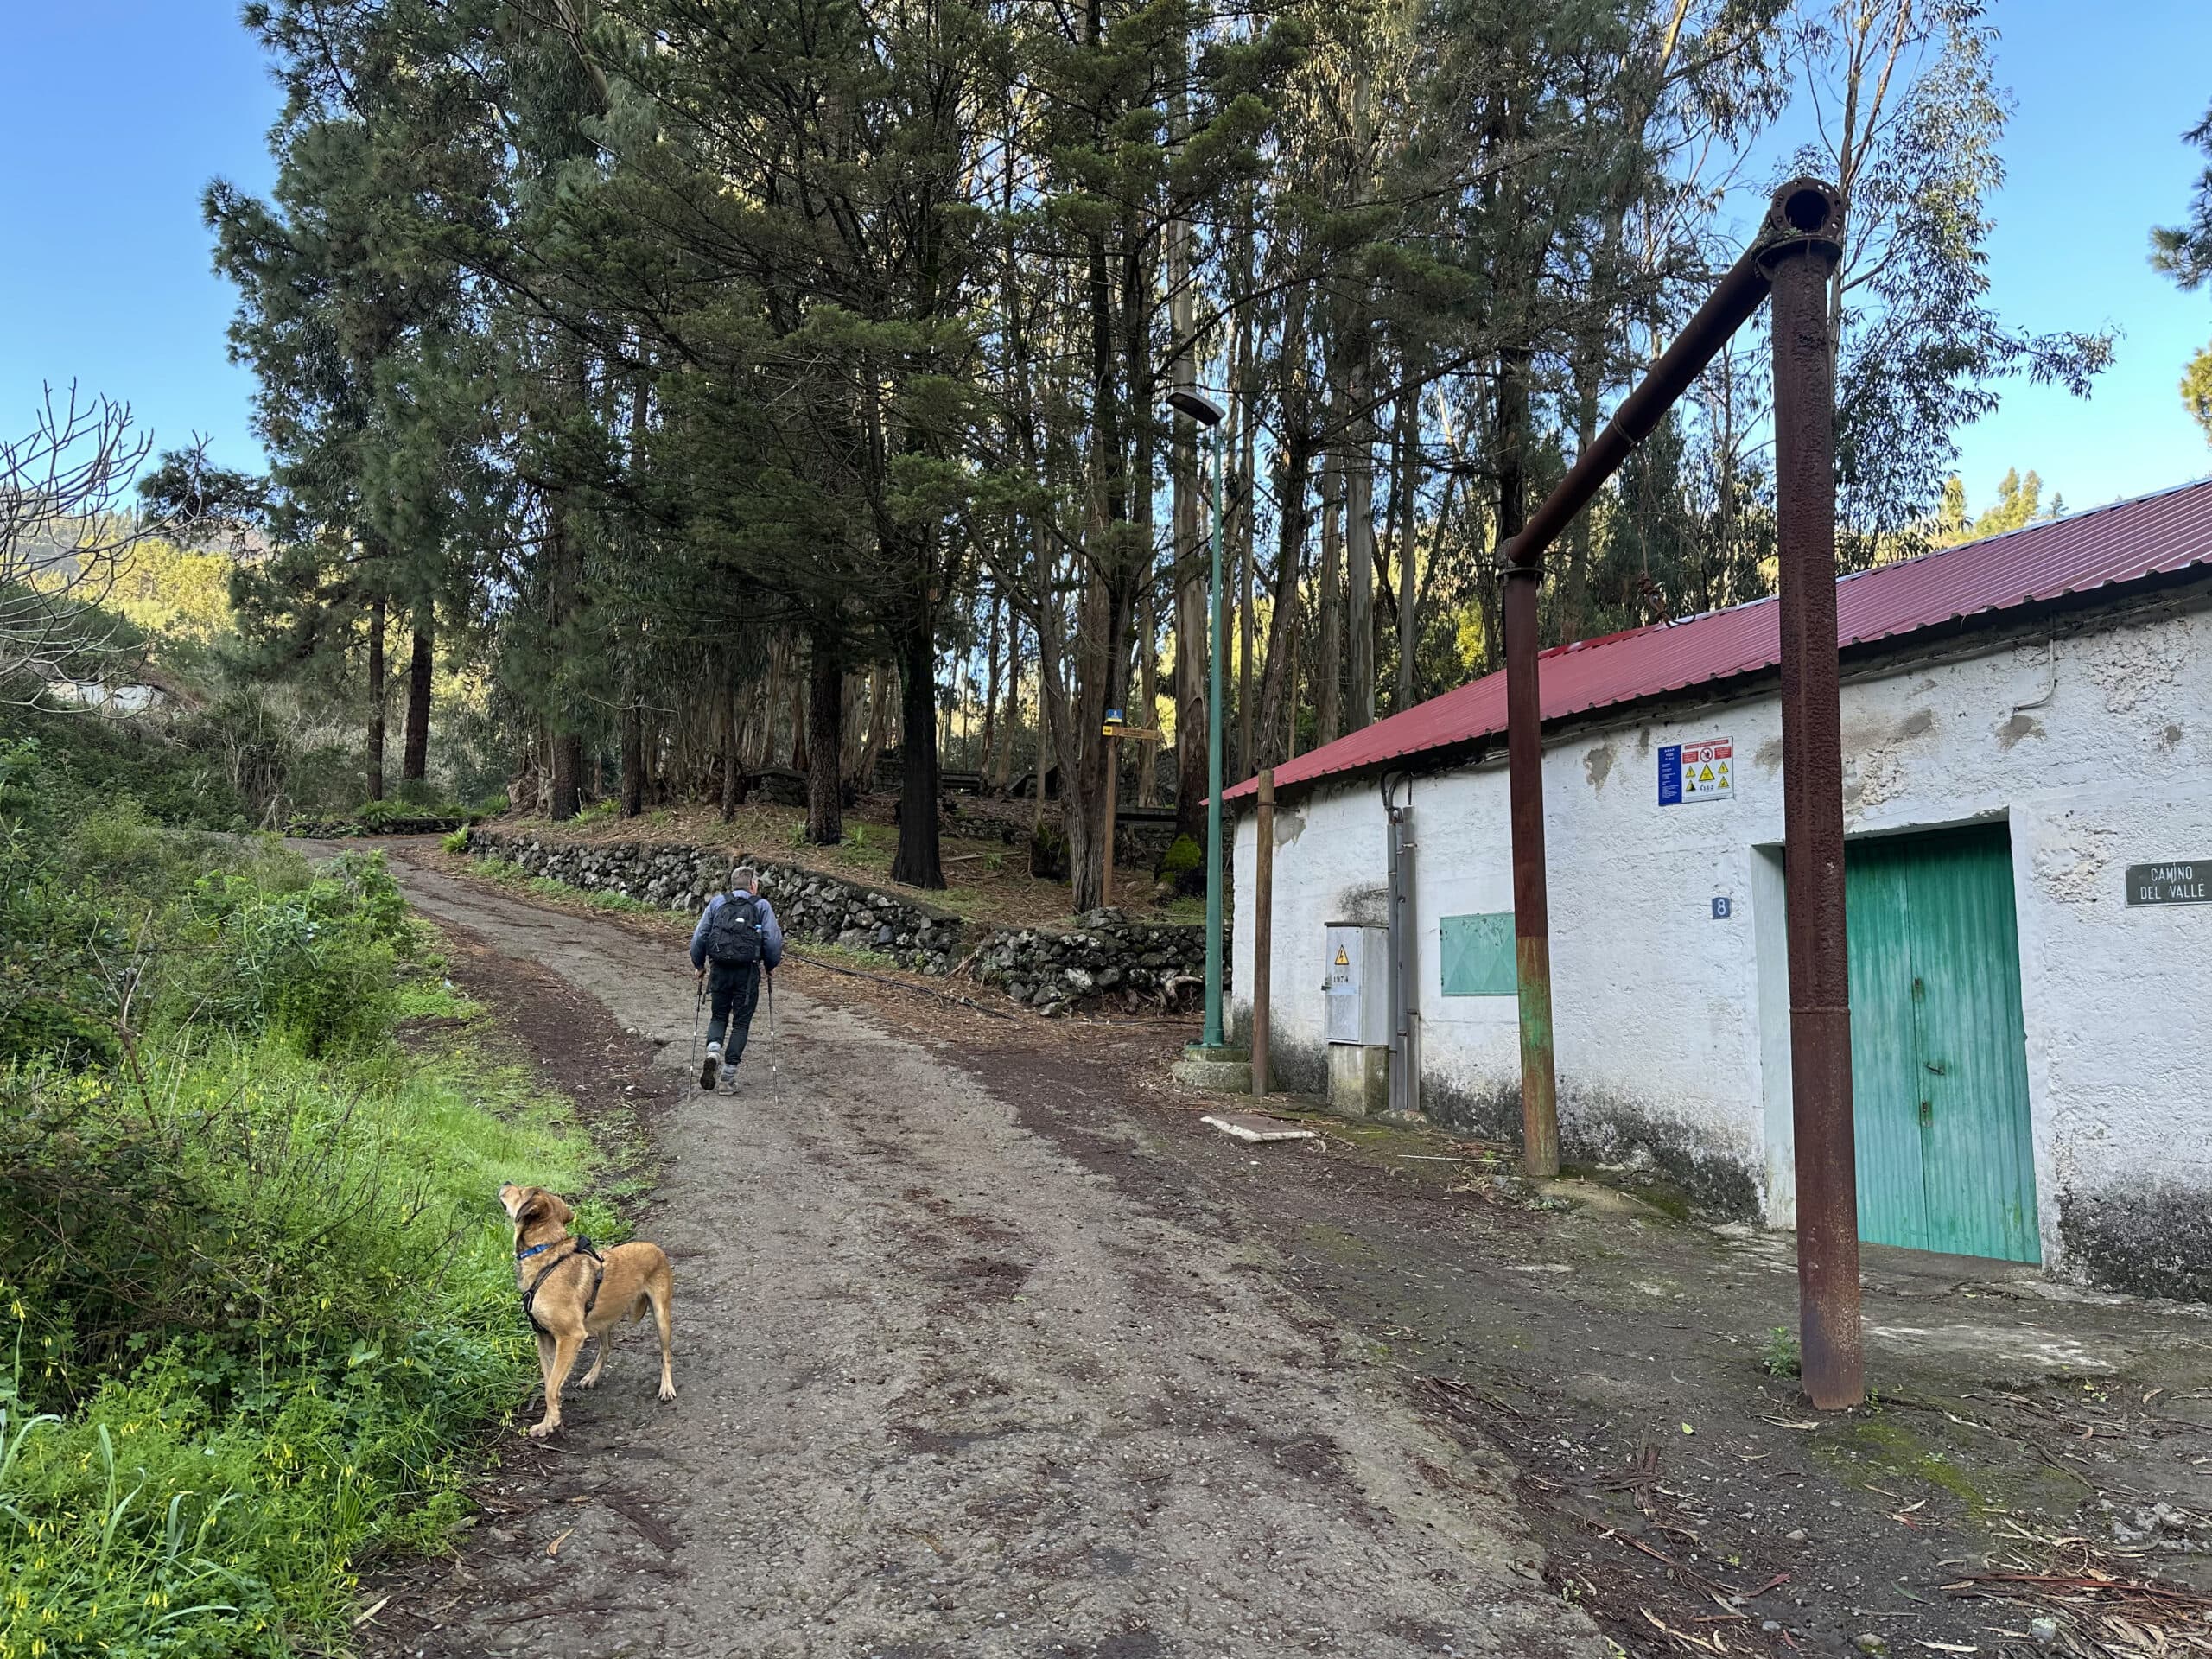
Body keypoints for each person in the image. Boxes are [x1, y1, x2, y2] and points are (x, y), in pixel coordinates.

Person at [690, 864, 783, 1093]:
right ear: (752, 885)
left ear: (733, 884)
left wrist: (699, 966)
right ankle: (727, 1080)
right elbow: (772, 941)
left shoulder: (717, 903)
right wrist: (771, 966)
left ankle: (712, 1052)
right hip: (747, 972)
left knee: (718, 1016)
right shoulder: (761, 906)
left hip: (719, 969)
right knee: (741, 1023)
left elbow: (700, 936)